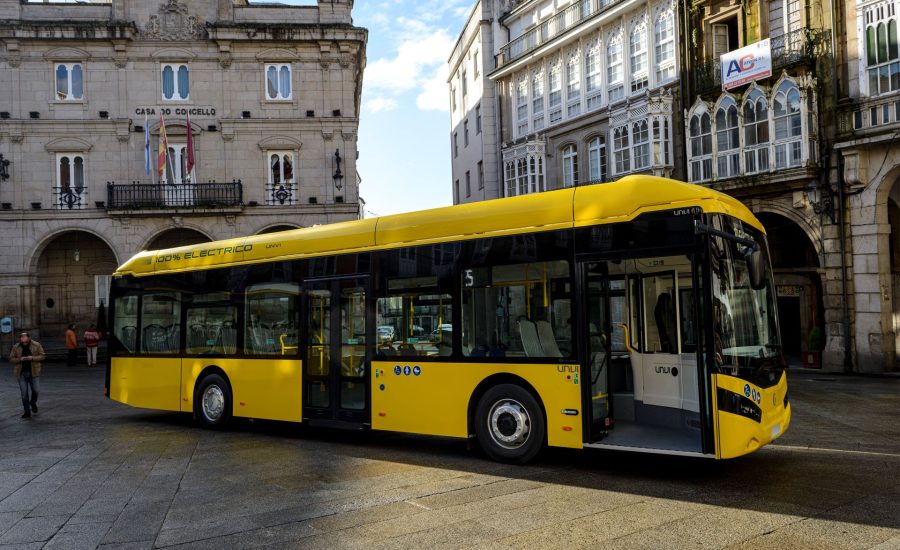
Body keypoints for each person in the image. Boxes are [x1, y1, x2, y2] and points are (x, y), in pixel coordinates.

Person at [9, 332, 45, 419]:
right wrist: (19, 359)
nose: (23, 340)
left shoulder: (36, 345)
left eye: (24, 338)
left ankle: (32, 402)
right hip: (21, 373)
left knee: (36, 391)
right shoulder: (16, 347)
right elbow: (11, 359)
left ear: (28, 338)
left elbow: (42, 356)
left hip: (34, 372)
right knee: (24, 394)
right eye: (21, 338)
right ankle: (27, 411)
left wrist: (32, 358)